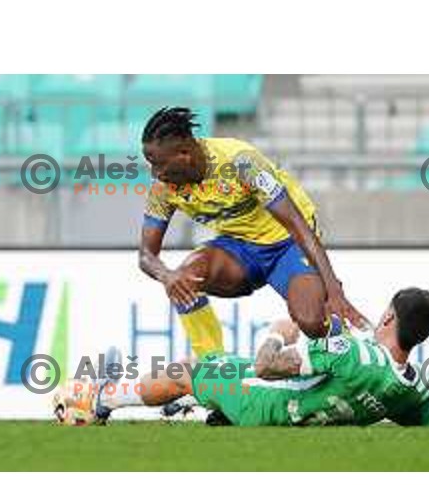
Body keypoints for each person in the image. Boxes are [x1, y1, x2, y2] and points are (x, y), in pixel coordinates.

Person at [138, 106, 367, 359]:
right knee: (186, 277)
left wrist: (334, 291)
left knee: (311, 321)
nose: (154, 173)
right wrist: (167, 276)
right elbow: (146, 255)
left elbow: (298, 226)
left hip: (288, 243)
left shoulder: (241, 162)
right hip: (239, 249)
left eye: (158, 164)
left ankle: (356, 351)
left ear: (184, 154)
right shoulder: (163, 189)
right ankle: (213, 365)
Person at [55, 287, 429, 427]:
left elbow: (265, 368)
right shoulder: (416, 389)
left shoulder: (353, 353)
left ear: (389, 316)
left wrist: (279, 332)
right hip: (307, 409)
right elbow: (419, 425)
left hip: (270, 406)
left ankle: (100, 401)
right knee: (221, 363)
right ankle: (195, 405)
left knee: (191, 369)